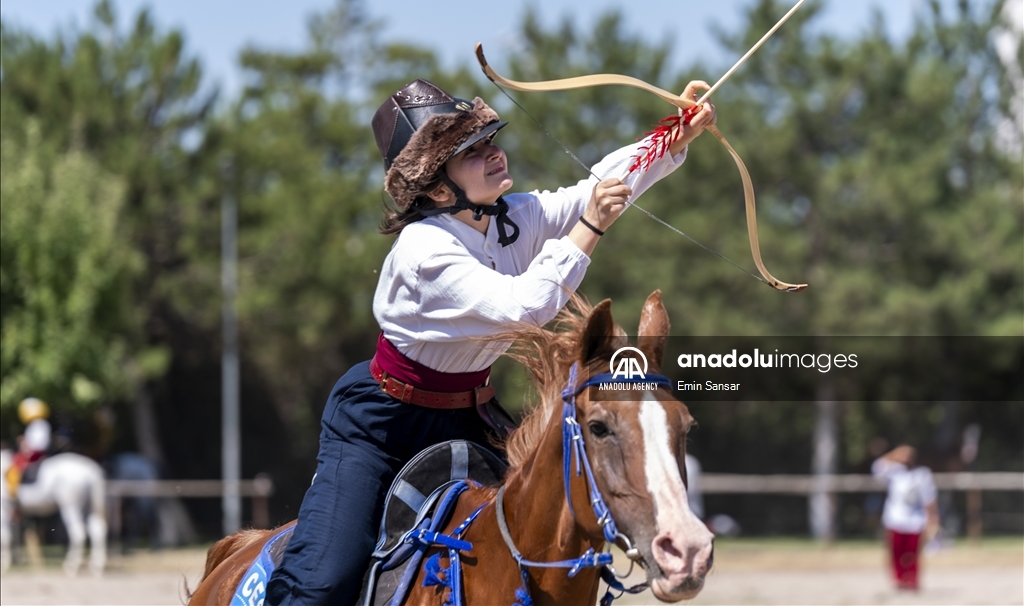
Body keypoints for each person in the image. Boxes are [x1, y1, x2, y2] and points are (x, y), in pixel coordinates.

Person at [265, 78, 716, 606]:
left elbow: (596, 190)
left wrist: (673, 137)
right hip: (381, 425)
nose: (493, 153)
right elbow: (523, 307)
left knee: (545, 533)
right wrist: (591, 225)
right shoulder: (422, 252)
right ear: (436, 188)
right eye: (471, 152)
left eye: (489, 141)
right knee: (320, 580)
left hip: (468, 416)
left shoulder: (509, 217)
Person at [872, 444, 939, 591]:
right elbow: (877, 467)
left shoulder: (922, 474)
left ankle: (912, 581)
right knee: (896, 552)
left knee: (912, 553)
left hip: (915, 521)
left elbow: (929, 498)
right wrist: (895, 454)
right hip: (895, 519)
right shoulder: (894, 472)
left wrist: (933, 517)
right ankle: (899, 580)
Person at [5, 398, 52, 495]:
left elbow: (39, 445)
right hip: (34, 453)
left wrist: (26, 447)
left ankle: (12, 496)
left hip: (35, 455)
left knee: (13, 469)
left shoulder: (38, 424)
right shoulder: (38, 424)